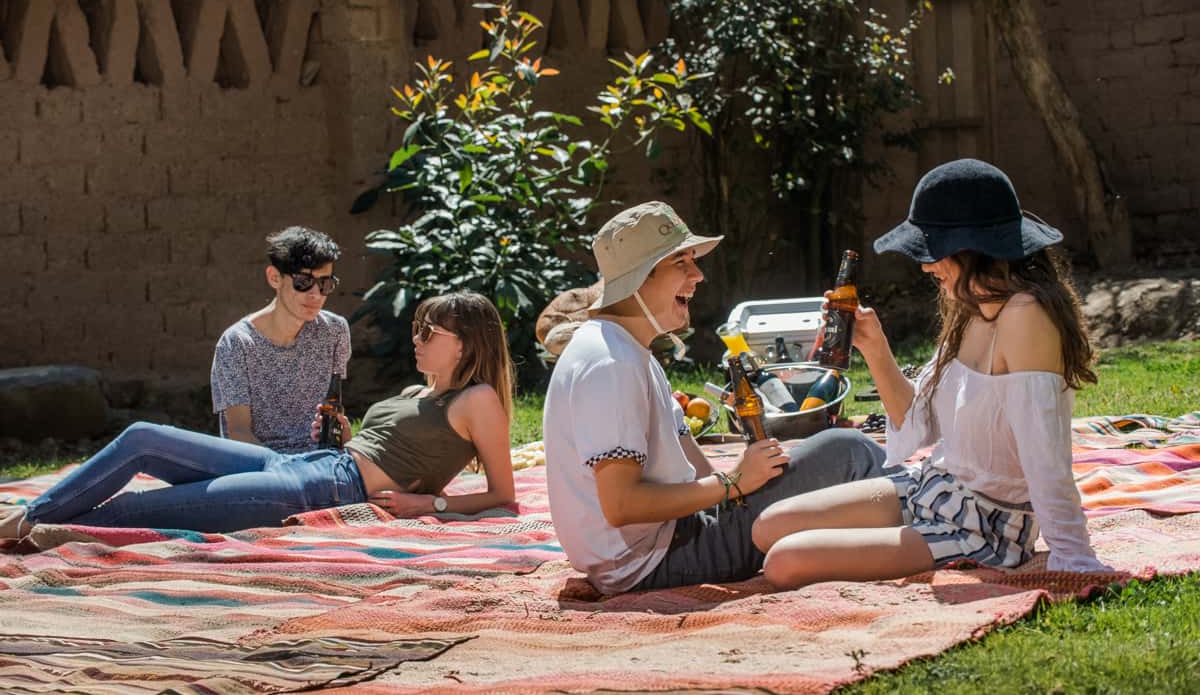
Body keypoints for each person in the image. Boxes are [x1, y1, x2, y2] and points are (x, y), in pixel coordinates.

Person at [752, 158, 1111, 589]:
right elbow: (918, 423)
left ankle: (877, 548)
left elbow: (1044, 455)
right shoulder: (972, 308)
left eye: (932, 251)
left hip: (983, 523)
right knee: (768, 527)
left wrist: (1074, 557)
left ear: (971, 248)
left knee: (784, 562)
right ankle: (875, 545)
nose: (924, 266)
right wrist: (874, 346)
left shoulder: (1026, 316)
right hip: (932, 486)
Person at [543, 201, 888, 595]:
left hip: (673, 537)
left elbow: (694, 462)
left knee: (817, 456)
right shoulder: (611, 364)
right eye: (682, 263)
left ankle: (917, 517)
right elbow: (622, 506)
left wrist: (748, 485)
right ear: (639, 278)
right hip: (658, 560)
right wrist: (733, 483)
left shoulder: (625, 350)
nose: (698, 275)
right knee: (847, 451)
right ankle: (935, 524)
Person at [1, 293, 515, 538]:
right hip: (295, 464)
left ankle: (24, 526)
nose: (417, 339)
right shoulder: (414, 389)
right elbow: (385, 450)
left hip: (316, 492)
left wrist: (431, 503)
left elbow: (503, 497)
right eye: (417, 329)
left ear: (466, 344)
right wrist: (341, 435)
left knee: (131, 509)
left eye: (430, 333)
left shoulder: (477, 401)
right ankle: (30, 519)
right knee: (142, 436)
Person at [211, 226, 351, 453]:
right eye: (303, 282)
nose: (315, 294)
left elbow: (333, 410)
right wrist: (288, 469)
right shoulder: (236, 343)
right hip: (259, 468)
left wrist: (337, 436)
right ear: (275, 278)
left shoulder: (335, 330)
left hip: (320, 465)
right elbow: (238, 433)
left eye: (325, 284)